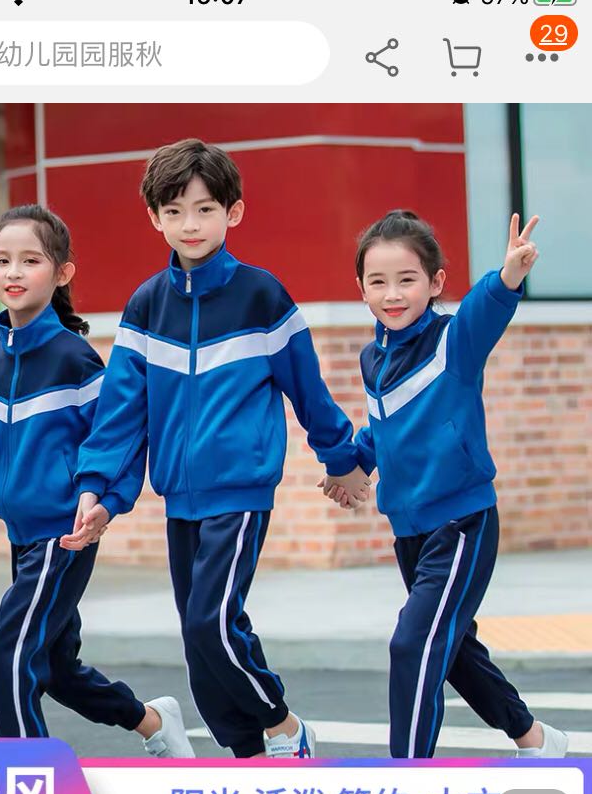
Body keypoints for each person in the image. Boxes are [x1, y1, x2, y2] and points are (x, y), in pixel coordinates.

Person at [67, 138, 371, 759]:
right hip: (179, 497)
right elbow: (121, 413)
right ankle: (248, 758)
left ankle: (284, 727)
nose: (191, 224)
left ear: (233, 212)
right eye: (174, 211)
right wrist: (98, 490)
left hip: (240, 491)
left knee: (212, 624)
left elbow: (308, 391)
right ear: (154, 218)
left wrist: (343, 462)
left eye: (205, 209)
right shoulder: (146, 306)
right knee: (200, 641)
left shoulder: (262, 297)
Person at [0, 203, 193, 756]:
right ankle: (152, 722)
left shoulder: (76, 360)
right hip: (23, 538)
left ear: (62, 272)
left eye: (31, 260)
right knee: (54, 666)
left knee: (8, 652)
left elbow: (118, 440)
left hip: (64, 535)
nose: (14, 272)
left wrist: (107, 504)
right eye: (3, 261)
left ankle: (33, 778)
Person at [326, 208, 568, 760]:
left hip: (462, 523)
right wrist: (356, 463)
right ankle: (535, 740)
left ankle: (409, 778)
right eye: (378, 282)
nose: (392, 294)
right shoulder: (373, 359)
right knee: (454, 651)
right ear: (361, 289)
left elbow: (484, 311)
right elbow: (383, 425)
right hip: (409, 531)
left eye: (406, 279)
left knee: (413, 644)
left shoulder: (452, 344)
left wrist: (508, 275)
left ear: (435, 283)